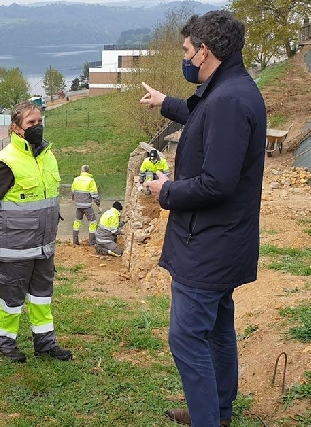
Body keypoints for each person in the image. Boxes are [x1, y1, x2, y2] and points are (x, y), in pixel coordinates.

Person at [139, 10, 266, 427]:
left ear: (205, 51)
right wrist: (166, 103)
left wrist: (166, 192)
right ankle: (217, 411)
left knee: (187, 337)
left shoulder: (229, 99)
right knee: (216, 330)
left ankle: (208, 419)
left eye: (187, 51)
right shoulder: (231, 89)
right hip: (224, 241)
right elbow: (204, 117)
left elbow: (217, 183)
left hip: (209, 243)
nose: (186, 58)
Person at [0, 100, 72, 363]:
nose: (37, 127)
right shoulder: (5, 162)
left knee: (42, 297)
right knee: (11, 298)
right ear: (16, 128)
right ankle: (6, 343)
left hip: (44, 244)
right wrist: (4, 228)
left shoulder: (47, 156)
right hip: (15, 245)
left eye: (39, 122)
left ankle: (45, 343)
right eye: (31, 123)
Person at [71, 164, 101, 245]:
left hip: (78, 206)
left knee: (77, 222)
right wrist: (98, 205)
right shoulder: (90, 181)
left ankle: (75, 241)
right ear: (88, 171)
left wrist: (75, 200)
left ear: (81, 171)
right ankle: (92, 242)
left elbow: (73, 193)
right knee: (93, 222)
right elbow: (94, 195)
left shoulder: (76, 180)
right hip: (87, 206)